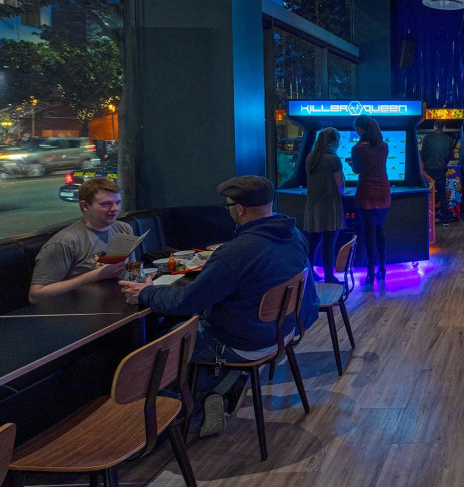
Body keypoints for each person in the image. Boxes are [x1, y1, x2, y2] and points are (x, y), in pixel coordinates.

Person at [119, 175, 318, 436]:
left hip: (244, 344)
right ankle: (219, 387)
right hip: (281, 334)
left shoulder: (237, 252)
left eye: (227, 205)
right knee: (194, 334)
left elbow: (184, 301)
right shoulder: (292, 234)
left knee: (163, 345)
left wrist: (146, 292)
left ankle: (193, 409)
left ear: (240, 209)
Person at [29, 178, 131, 303]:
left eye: (118, 202)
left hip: (118, 300)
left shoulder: (124, 229)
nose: (115, 208)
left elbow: (130, 271)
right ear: (85, 206)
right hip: (81, 309)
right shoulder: (65, 241)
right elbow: (35, 296)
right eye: (106, 204)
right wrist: (94, 276)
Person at [351, 115, 391, 289]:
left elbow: (357, 170)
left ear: (360, 129)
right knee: (380, 230)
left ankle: (370, 271)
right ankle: (382, 267)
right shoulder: (384, 146)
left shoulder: (357, 148)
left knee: (368, 232)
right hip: (383, 191)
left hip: (365, 191)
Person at [304, 127, 345, 284]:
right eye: (339, 141)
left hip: (313, 207)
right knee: (329, 243)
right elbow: (340, 187)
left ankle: (309, 275)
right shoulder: (333, 159)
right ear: (334, 141)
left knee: (313, 243)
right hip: (330, 207)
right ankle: (329, 277)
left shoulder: (310, 157)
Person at [420, 121, 454, 226]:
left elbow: (423, 155)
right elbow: (450, 156)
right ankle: (445, 221)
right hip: (441, 169)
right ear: (444, 127)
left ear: (434, 127)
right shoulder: (449, 139)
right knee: (442, 194)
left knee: (428, 194)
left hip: (429, 170)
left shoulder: (426, 138)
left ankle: (427, 220)